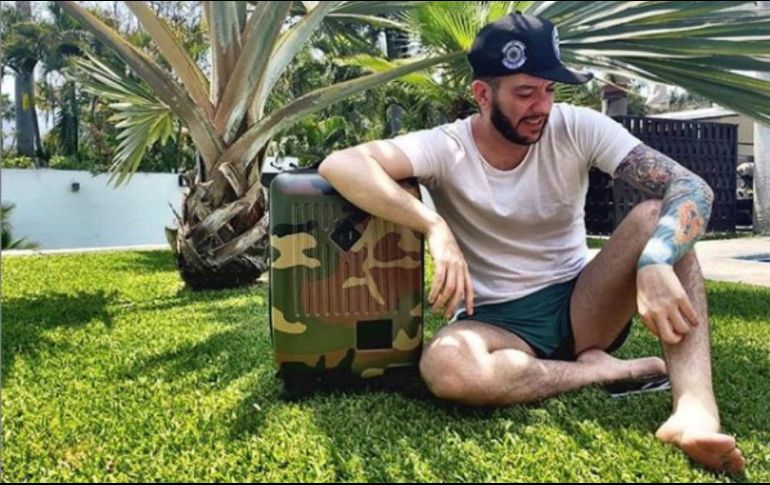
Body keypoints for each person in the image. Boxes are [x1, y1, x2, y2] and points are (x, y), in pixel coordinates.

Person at [317, 12, 745, 474]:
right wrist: (433, 226)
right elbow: (341, 164)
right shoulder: (446, 147)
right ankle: (601, 371)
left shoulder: (578, 126)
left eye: (548, 89)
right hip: (495, 321)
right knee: (446, 369)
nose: (541, 105)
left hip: (583, 306)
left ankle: (694, 411)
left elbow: (690, 187)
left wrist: (656, 260)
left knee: (658, 216)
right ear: (483, 94)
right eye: (524, 93)